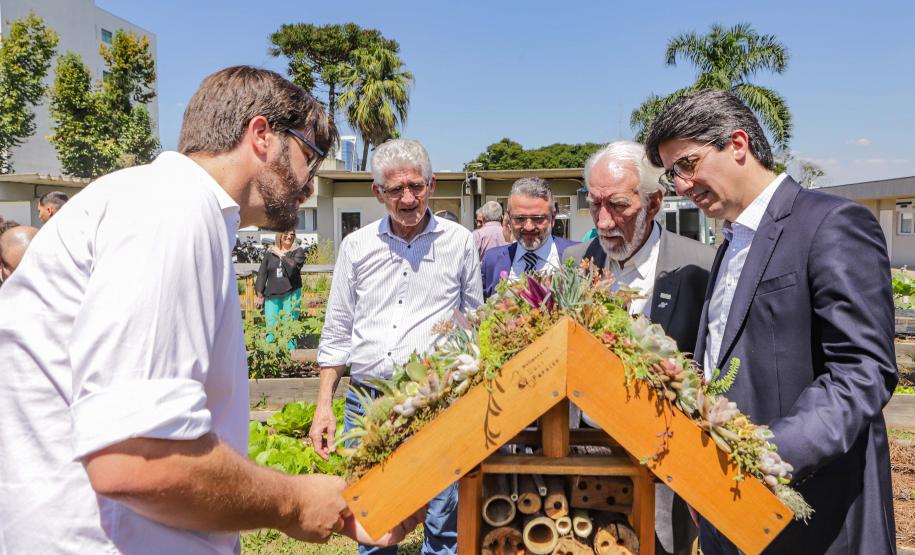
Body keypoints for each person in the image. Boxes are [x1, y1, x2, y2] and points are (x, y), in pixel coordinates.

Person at [0, 66, 421, 554]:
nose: (310, 183)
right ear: (262, 135)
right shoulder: (171, 209)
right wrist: (295, 501)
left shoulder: (174, 207)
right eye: (311, 157)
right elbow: (139, 459)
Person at [645, 89, 897, 554]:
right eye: (671, 173)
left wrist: (764, 457)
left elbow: (863, 371)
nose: (680, 184)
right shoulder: (730, 243)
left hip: (812, 515)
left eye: (687, 164)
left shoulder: (831, 223)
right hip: (728, 508)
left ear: (737, 144)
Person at [311, 138, 483, 555]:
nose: (408, 198)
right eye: (395, 190)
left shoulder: (459, 243)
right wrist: (323, 405)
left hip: (434, 400)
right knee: (372, 517)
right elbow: (337, 329)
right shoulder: (357, 246)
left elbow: (474, 323)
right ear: (378, 193)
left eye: (417, 186)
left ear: (432, 184)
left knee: (444, 521)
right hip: (367, 402)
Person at [564, 141, 714, 555]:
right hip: (585, 454)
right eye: (594, 205)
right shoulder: (576, 262)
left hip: (666, 460)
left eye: (618, 205)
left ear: (654, 203)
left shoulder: (700, 266)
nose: (604, 221)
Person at [480, 176, 577, 298]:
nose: (529, 227)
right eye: (520, 219)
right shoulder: (492, 260)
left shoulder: (579, 255)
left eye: (538, 218)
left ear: (552, 218)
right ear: (509, 218)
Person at [255, 229, 306, 350]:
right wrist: (259, 294)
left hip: (291, 293)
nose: (289, 236)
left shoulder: (298, 252)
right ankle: (271, 356)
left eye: (292, 234)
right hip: (272, 295)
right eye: (286, 234)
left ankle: (291, 359)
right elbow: (262, 273)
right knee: (271, 326)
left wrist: (280, 254)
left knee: (289, 326)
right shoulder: (269, 253)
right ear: (279, 235)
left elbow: (293, 267)